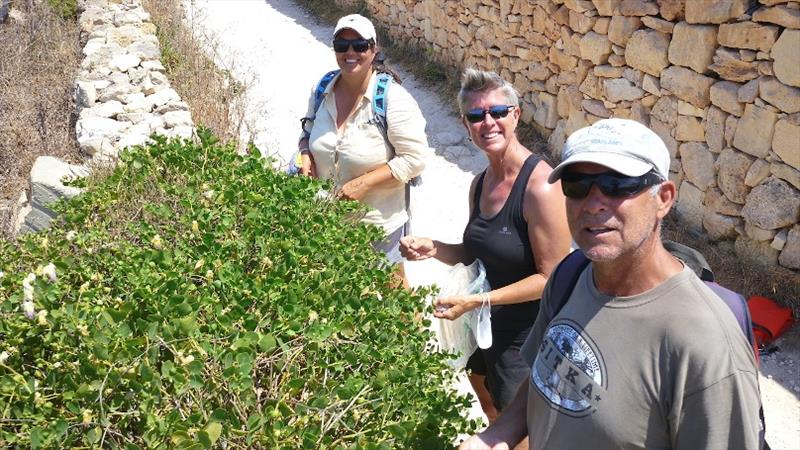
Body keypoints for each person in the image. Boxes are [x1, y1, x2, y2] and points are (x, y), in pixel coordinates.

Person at [459, 118, 763, 450]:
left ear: (663, 198)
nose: (593, 203)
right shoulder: (570, 275)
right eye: (577, 185)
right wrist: (496, 437)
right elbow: (544, 378)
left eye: (617, 184)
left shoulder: (705, 343)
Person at [400, 69, 571, 424]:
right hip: (484, 326)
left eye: (498, 112)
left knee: (521, 427)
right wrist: (434, 248)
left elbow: (551, 277)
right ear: (466, 125)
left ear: (516, 115)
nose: (487, 122)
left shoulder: (540, 187)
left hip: (526, 336)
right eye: (476, 116)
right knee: (488, 401)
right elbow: (473, 253)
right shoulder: (480, 184)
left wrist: (476, 301)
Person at [297, 14, 430, 283]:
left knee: (392, 301)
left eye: (359, 45)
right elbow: (307, 133)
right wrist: (304, 154)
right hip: (325, 220)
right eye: (342, 45)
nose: (350, 52)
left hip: (377, 227)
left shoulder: (393, 99)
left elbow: (414, 159)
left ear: (374, 50)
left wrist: (363, 184)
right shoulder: (322, 89)